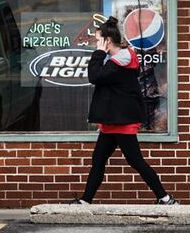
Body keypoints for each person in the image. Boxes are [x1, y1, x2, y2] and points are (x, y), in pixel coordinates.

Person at [71, 16, 178, 205]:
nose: (96, 43)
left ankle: (165, 198)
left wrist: (99, 53)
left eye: (98, 40)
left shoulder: (119, 61)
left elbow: (94, 76)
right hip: (113, 121)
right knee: (98, 160)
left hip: (122, 122)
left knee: (136, 161)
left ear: (107, 41)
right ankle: (86, 201)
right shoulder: (118, 60)